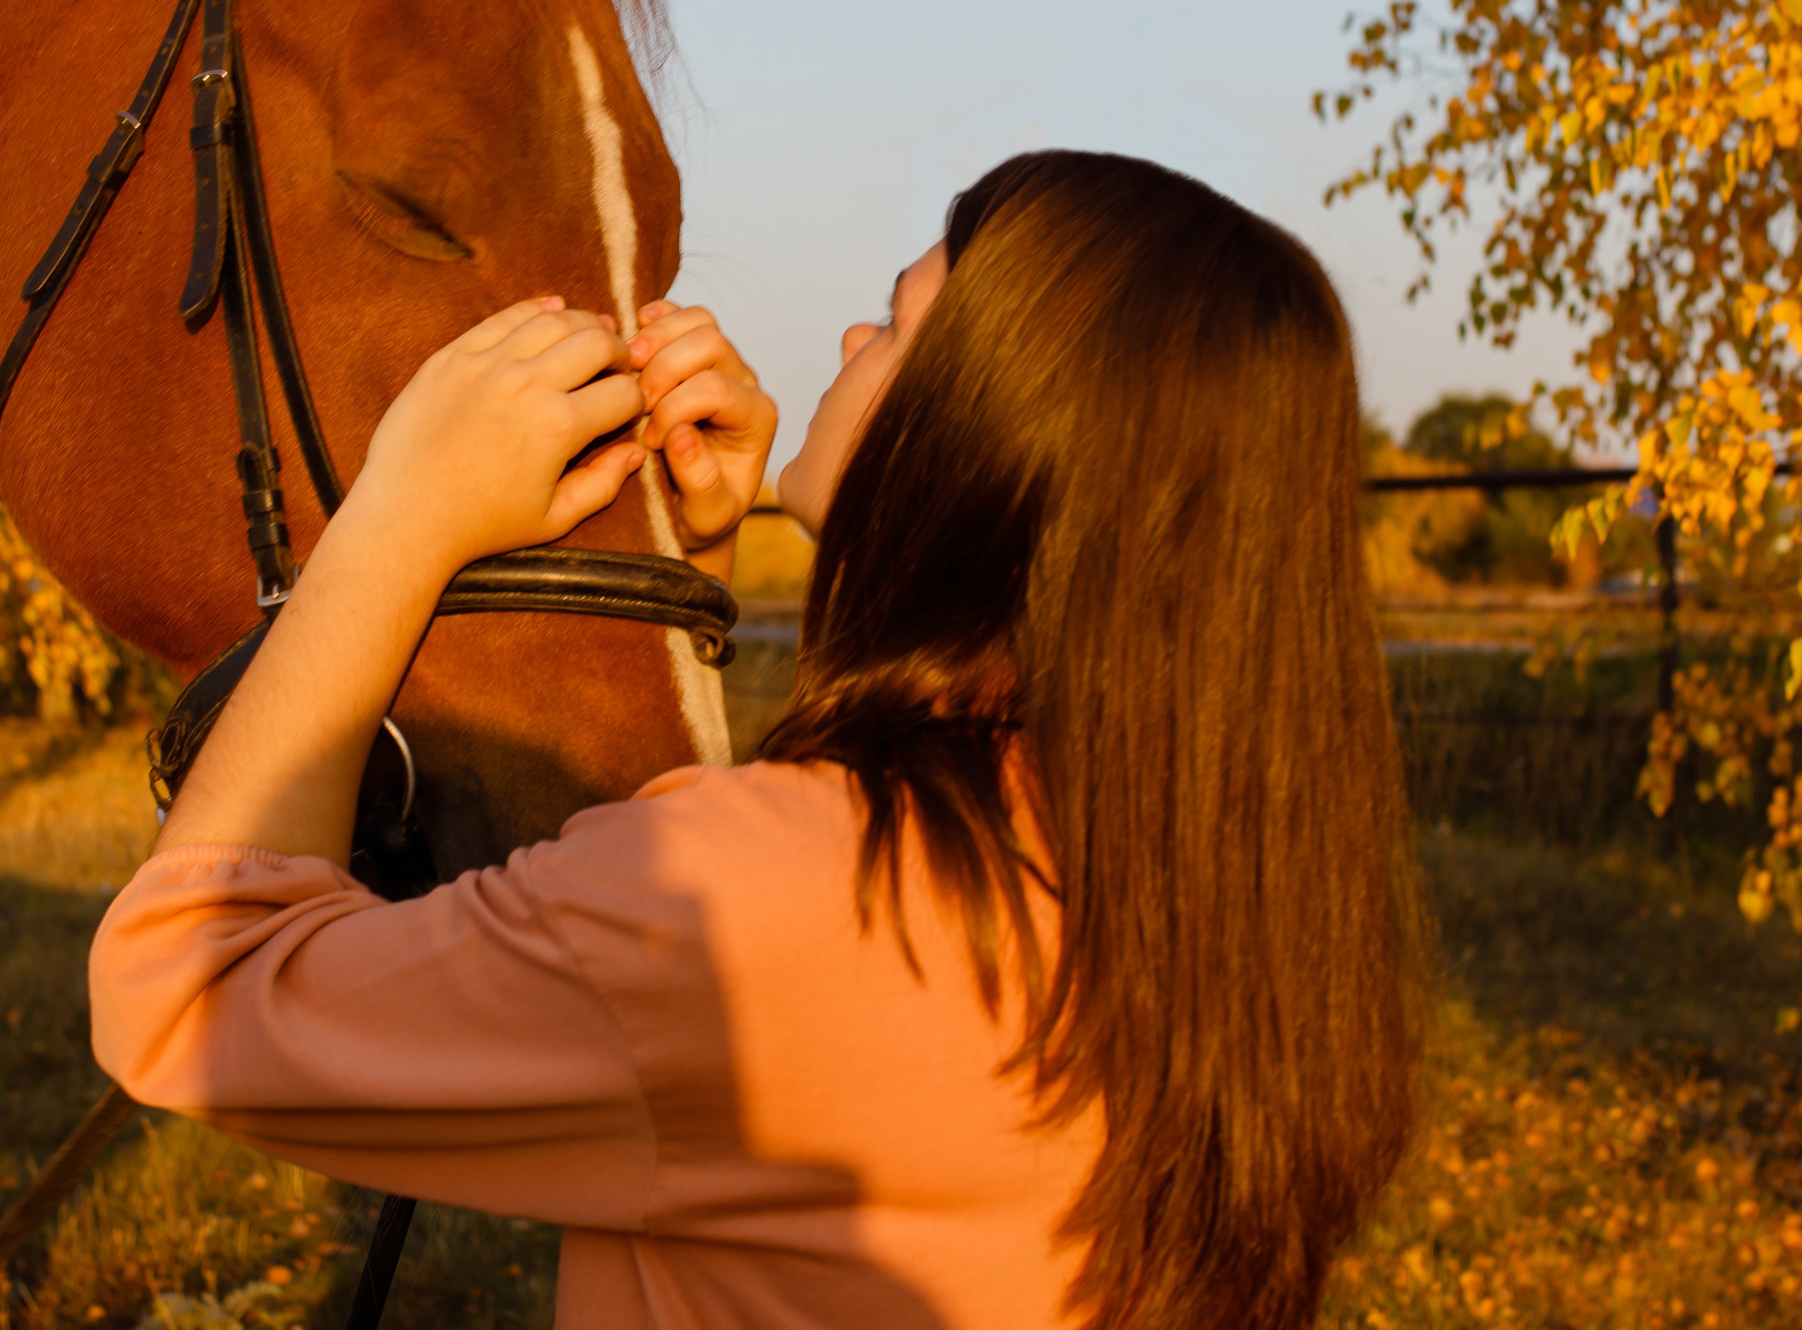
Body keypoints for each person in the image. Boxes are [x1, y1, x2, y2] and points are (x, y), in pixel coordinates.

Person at [88, 149, 1425, 1330]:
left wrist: (398, 518)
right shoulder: (1226, 886)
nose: (850, 336)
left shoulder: (768, 896)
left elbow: (187, 997)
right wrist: (696, 558)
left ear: (988, 439)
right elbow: (750, 990)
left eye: (900, 328)